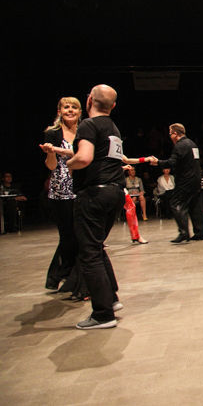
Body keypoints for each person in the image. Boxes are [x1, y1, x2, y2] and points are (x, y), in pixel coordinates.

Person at [66, 84, 126, 329]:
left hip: (94, 194)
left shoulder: (88, 125)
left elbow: (84, 158)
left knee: (89, 252)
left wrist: (68, 163)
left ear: (89, 100)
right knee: (97, 247)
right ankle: (110, 298)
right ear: (113, 106)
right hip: (115, 192)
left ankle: (103, 315)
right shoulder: (113, 128)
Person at [39, 97, 83, 293]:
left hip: (80, 188)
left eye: (74, 107)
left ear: (80, 112)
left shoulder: (84, 132)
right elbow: (51, 166)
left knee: (78, 234)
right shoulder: (52, 133)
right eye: (66, 107)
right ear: (59, 111)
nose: (70, 110)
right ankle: (59, 275)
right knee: (67, 235)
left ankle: (63, 276)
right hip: (60, 190)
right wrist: (50, 152)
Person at [149, 123, 203, 242]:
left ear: (175, 134)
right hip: (196, 179)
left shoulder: (179, 146)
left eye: (170, 134)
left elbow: (172, 162)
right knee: (195, 205)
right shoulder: (192, 144)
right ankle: (200, 233)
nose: (170, 136)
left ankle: (184, 232)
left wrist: (158, 162)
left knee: (176, 203)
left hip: (185, 180)